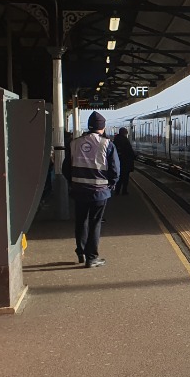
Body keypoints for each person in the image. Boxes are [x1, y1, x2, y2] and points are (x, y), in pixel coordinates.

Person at [62, 111, 119, 268]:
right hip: (99, 192)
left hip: (79, 190)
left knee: (80, 221)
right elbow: (115, 170)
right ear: (102, 127)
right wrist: (110, 186)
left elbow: (66, 168)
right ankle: (91, 257)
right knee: (95, 223)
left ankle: (80, 252)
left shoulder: (74, 143)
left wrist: (73, 182)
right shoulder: (107, 144)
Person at [113, 127, 136, 195]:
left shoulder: (115, 140)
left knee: (119, 177)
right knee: (125, 178)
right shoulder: (125, 140)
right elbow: (129, 151)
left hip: (118, 162)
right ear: (124, 133)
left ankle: (117, 191)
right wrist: (134, 156)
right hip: (125, 162)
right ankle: (124, 191)